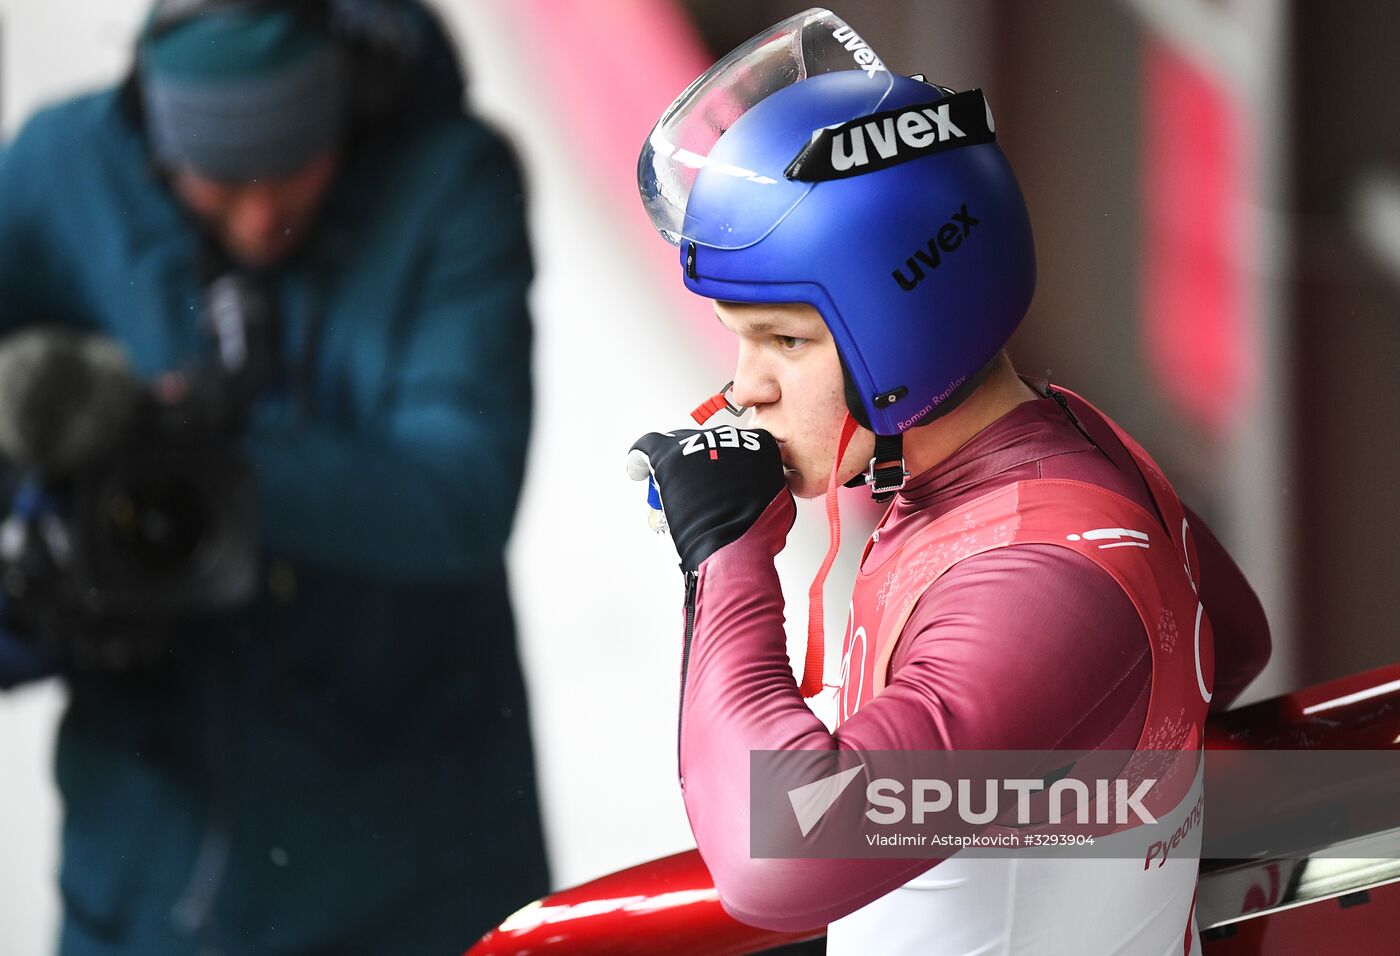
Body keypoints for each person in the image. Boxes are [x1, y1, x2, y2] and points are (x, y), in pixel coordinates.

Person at [628, 10, 1271, 955]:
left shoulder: (1038, 584)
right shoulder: (1068, 445)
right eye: (741, 335)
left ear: (904, 326)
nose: (744, 387)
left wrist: (725, 558)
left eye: (786, 341)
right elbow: (1234, 641)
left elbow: (781, 855)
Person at [0, 1, 548, 952]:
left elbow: (461, 492)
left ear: (349, 106)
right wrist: (36, 582)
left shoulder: (449, 181)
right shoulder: (60, 176)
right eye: (220, 183)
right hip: (145, 877)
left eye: (293, 170)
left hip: (419, 865)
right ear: (156, 146)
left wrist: (185, 451)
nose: (261, 217)